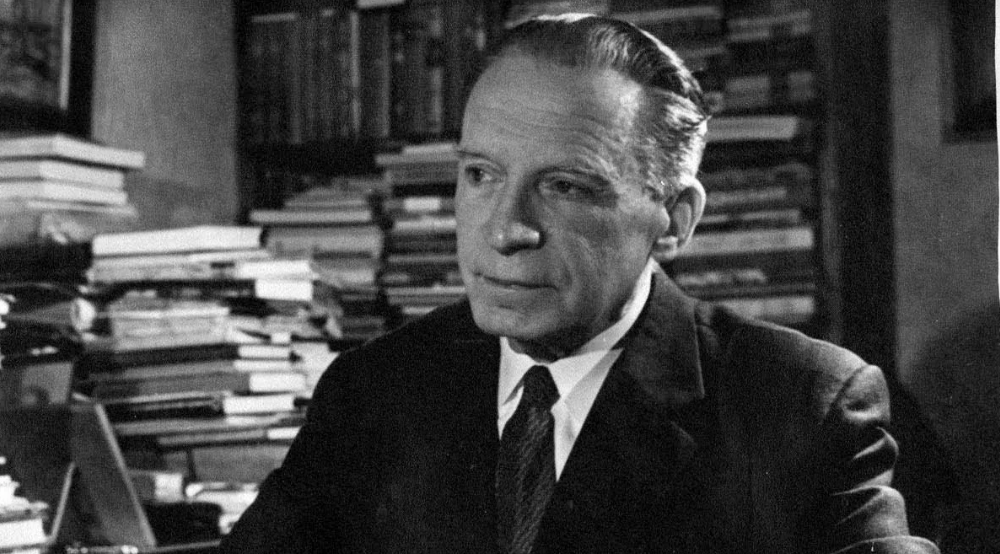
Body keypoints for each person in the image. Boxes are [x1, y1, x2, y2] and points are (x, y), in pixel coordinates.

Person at [222, 14, 939, 553]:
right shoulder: (373, 392)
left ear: (673, 221)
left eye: (565, 186)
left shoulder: (801, 405)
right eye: (480, 174)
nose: (506, 229)